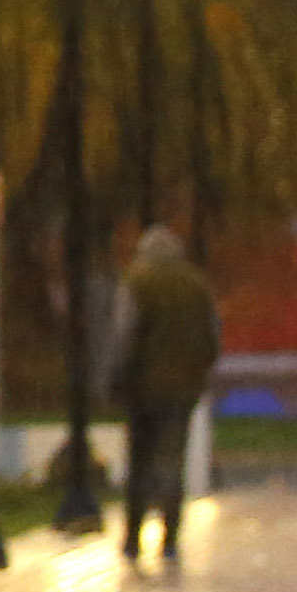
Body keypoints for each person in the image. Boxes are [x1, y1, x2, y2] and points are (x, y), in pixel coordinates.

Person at [107, 224, 219, 563]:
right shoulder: (197, 285)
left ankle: (133, 536)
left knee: (139, 461)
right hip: (184, 388)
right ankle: (170, 537)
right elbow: (213, 335)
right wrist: (199, 369)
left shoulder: (137, 281)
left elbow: (124, 334)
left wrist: (116, 376)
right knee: (172, 459)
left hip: (142, 388)